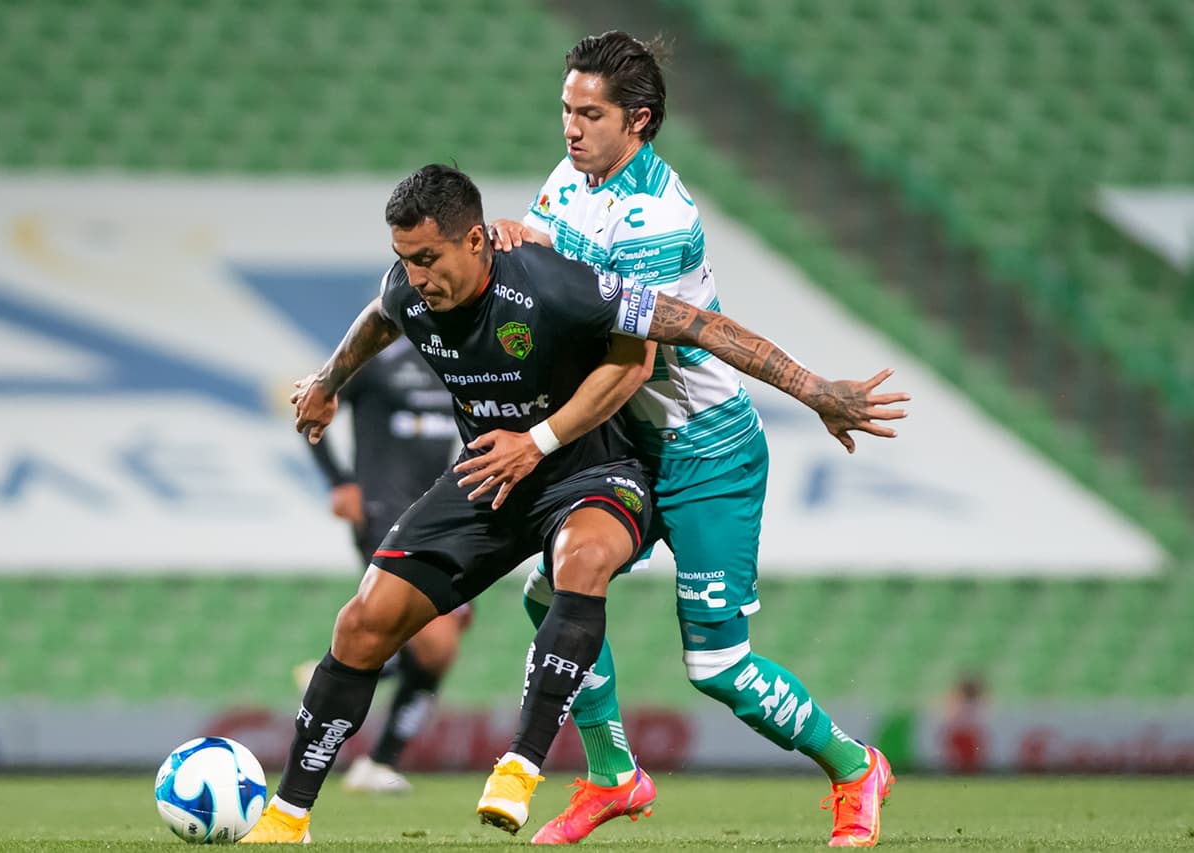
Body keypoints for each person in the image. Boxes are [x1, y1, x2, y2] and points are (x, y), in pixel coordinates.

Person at [241, 164, 906, 844]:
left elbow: (698, 326)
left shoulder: (553, 284)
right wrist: (328, 380)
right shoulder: (411, 292)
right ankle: (287, 813)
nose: (415, 277)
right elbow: (380, 317)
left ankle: (522, 765)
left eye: (427, 259)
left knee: (594, 576)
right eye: (404, 260)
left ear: (476, 242)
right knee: (363, 620)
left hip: (594, 470)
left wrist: (818, 389)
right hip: (492, 476)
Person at [481, 31, 903, 847]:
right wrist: (519, 239)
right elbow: (550, 256)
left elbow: (633, 361)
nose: (570, 128)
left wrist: (536, 437)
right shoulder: (569, 181)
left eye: (590, 114)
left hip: (706, 451)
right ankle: (613, 776)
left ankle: (856, 767)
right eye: (566, 109)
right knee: (551, 590)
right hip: (630, 450)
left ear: (637, 121)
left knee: (718, 668)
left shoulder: (659, 218)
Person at [297, 342, 470, 794]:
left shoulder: (454, 354)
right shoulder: (374, 358)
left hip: (440, 509)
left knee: (439, 648)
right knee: (434, 641)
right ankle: (369, 740)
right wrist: (340, 482)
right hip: (382, 512)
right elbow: (312, 404)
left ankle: (378, 755)